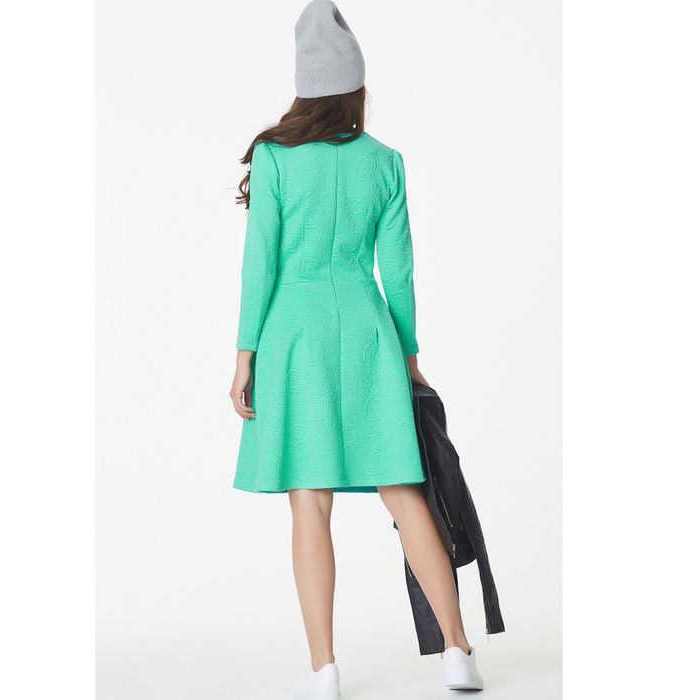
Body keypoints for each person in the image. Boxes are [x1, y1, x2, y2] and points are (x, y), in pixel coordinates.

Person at [230, 1, 484, 696]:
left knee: (309, 499)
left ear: (303, 85)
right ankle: (458, 652)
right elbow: (398, 272)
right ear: (356, 87)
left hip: (293, 333)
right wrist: (408, 356)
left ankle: (325, 671)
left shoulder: (276, 157)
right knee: (403, 490)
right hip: (370, 330)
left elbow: (261, 263)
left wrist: (245, 354)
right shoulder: (386, 163)